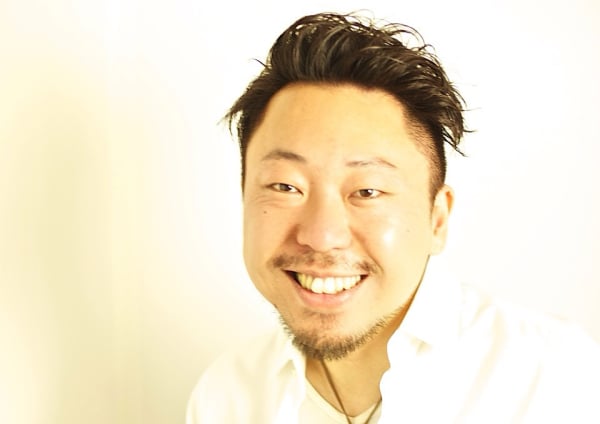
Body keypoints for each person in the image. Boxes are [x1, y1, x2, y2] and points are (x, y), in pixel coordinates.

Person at [187, 12, 600, 423]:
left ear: (437, 219)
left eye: (367, 191)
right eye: (285, 186)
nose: (321, 235)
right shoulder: (226, 397)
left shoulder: (559, 380)